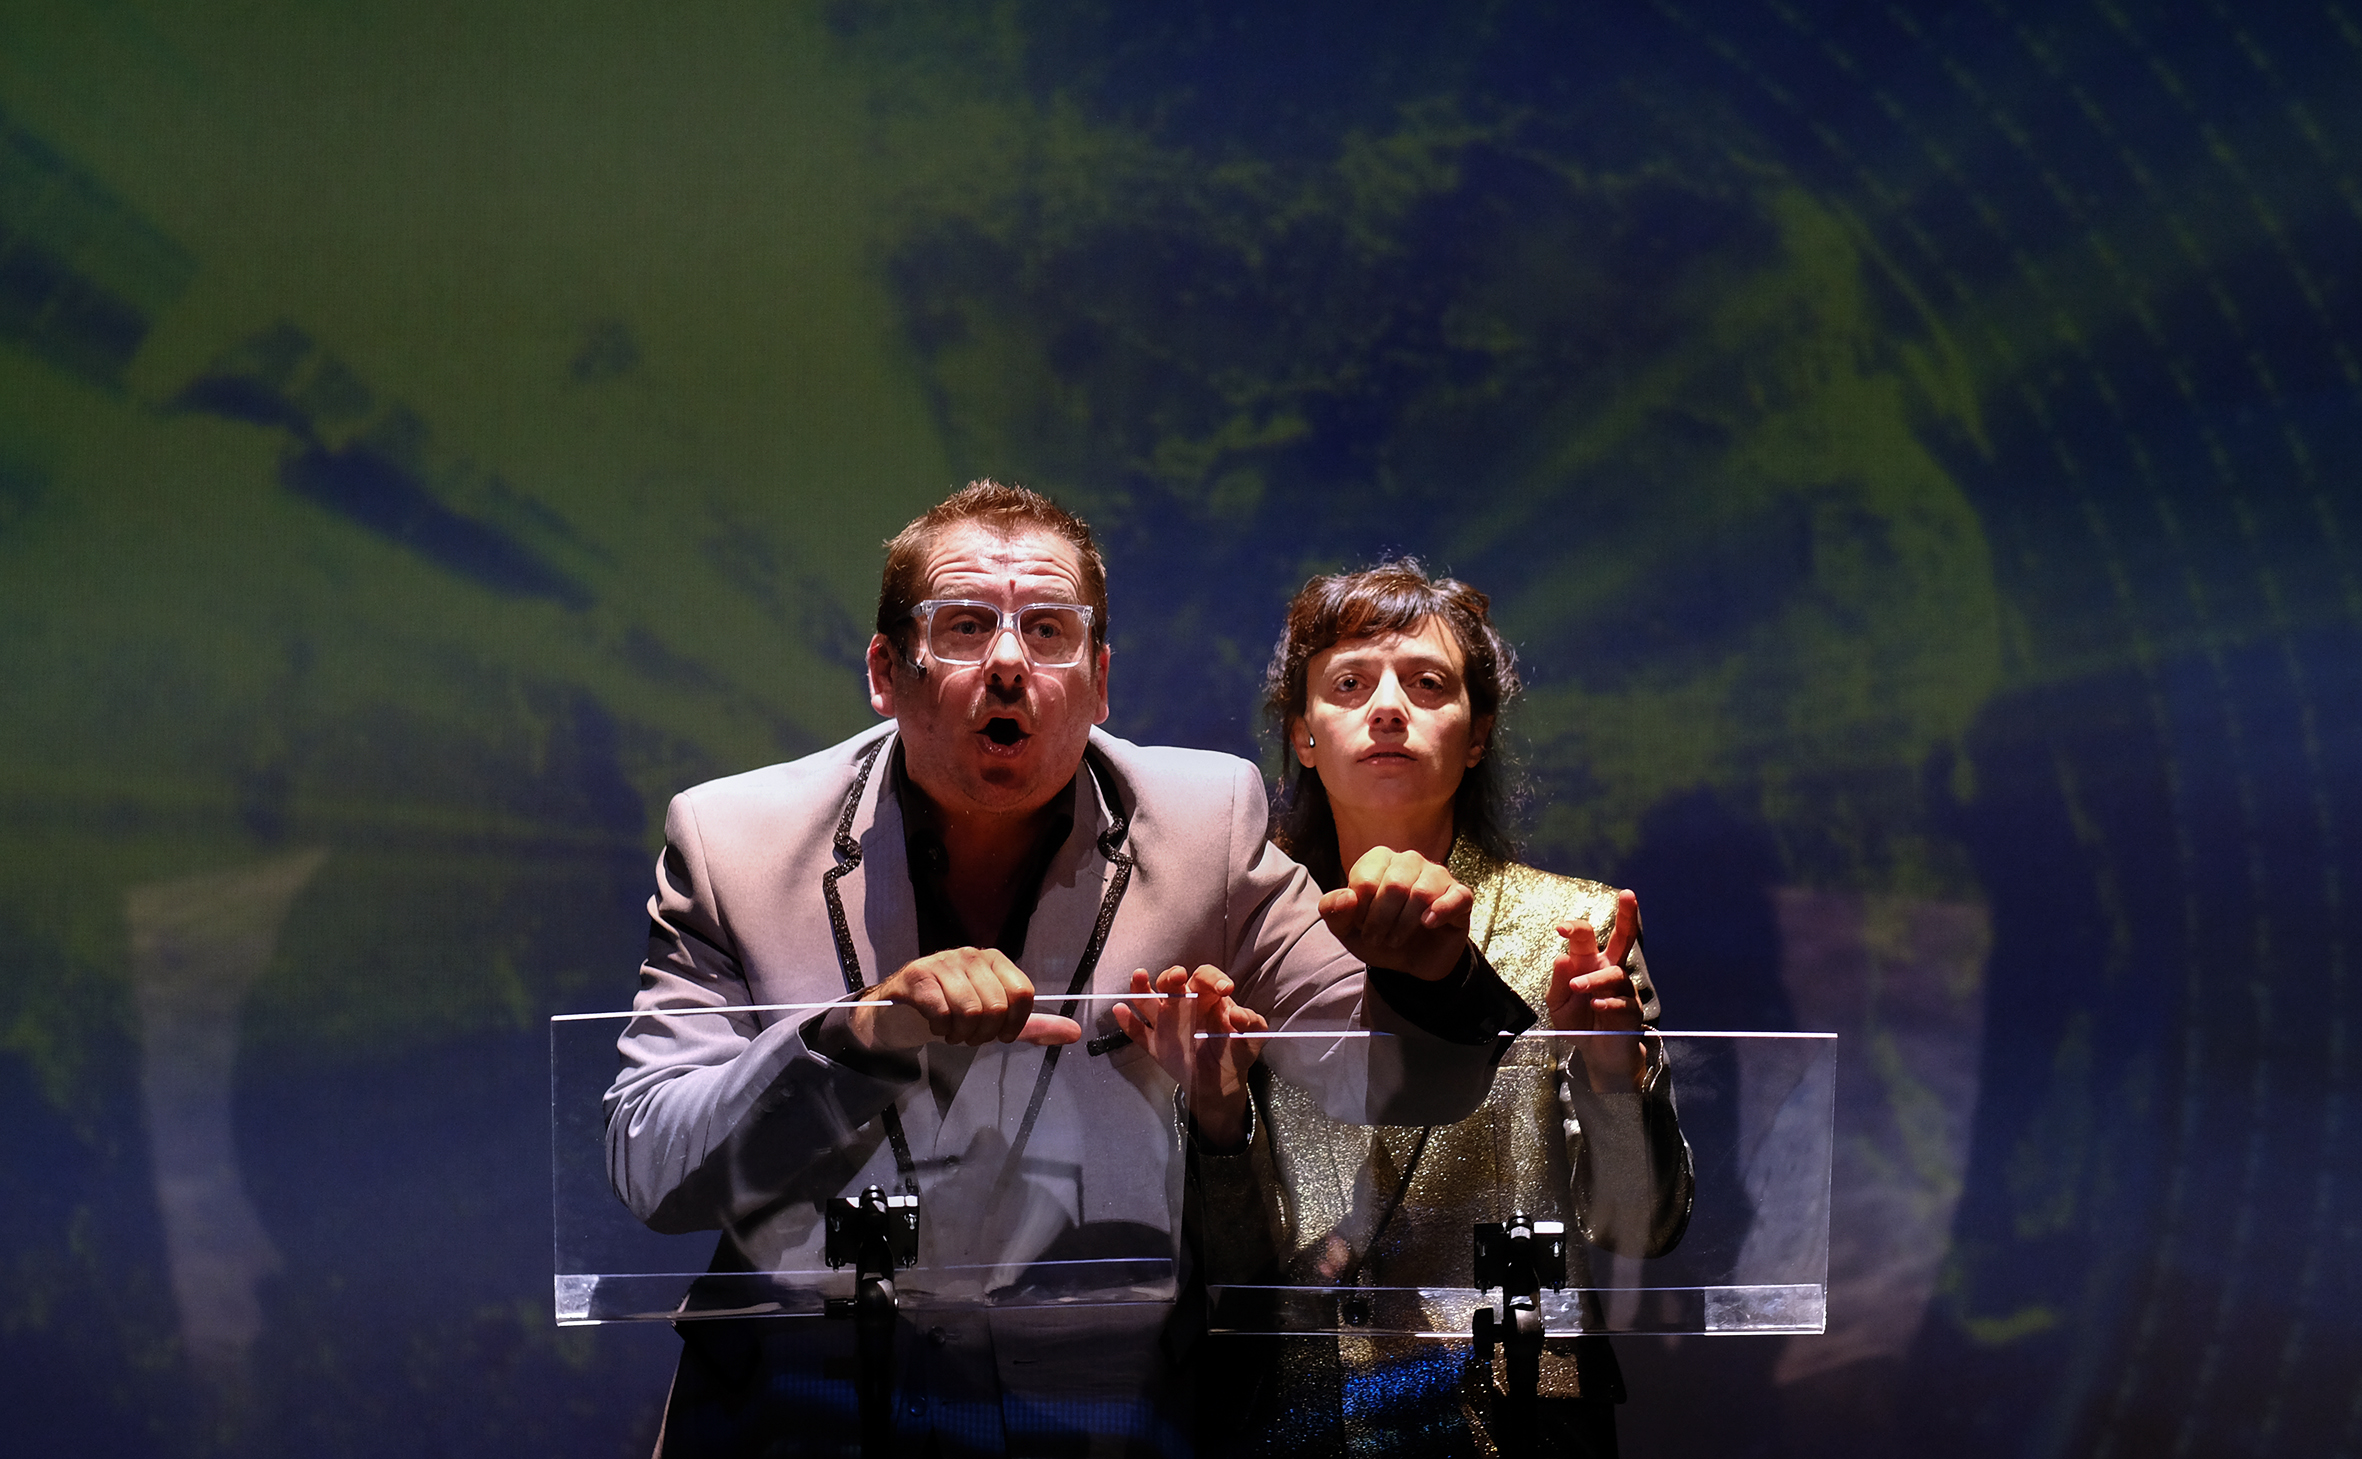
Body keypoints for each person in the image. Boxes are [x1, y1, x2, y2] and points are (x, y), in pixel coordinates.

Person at [601, 484, 1536, 1457]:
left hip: (1093, 1415)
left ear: (1098, 682)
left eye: (1048, 630)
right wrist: (857, 1035)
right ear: (886, 671)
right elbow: (653, 1165)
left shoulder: (1205, 823)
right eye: (965, 626)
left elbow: (1383, 1079)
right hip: (802, 1410)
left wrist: (1430, 978)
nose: (1009, 661)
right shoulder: (732, 842)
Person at [1184, 560, 1694, 1459]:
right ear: (1303, 733)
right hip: (1290, 1414)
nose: (1388, 707)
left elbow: (1639, 1225)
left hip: (1518, 1415)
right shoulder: (1241, 935)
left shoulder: (1574, 928)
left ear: (1478, 733)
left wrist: (1614, 1070)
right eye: (1350, 684)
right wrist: (1220, 1121)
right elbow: (1224, 1261)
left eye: (1427, 683)